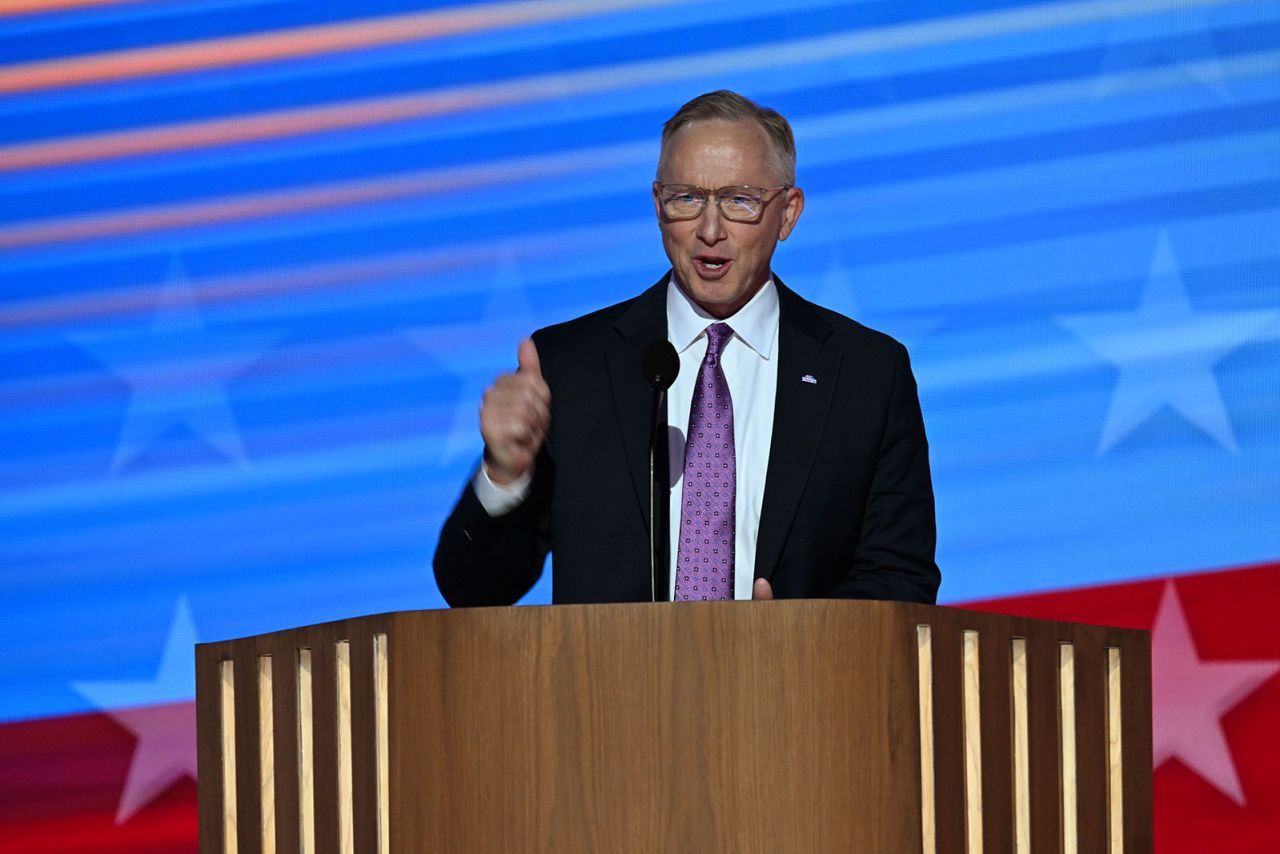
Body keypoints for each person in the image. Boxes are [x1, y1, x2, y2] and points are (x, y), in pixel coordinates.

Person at [434, 90, 938, 606]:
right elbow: (471, 590)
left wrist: (799, 638)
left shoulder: (867, 375)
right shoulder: (571, 368)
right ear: (657, 207)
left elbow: (902, 581)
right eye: (687, 199)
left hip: (793, 684)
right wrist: (504, 474)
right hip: (610, 685)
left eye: (739, 201)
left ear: (787, 214)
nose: (710, 230)